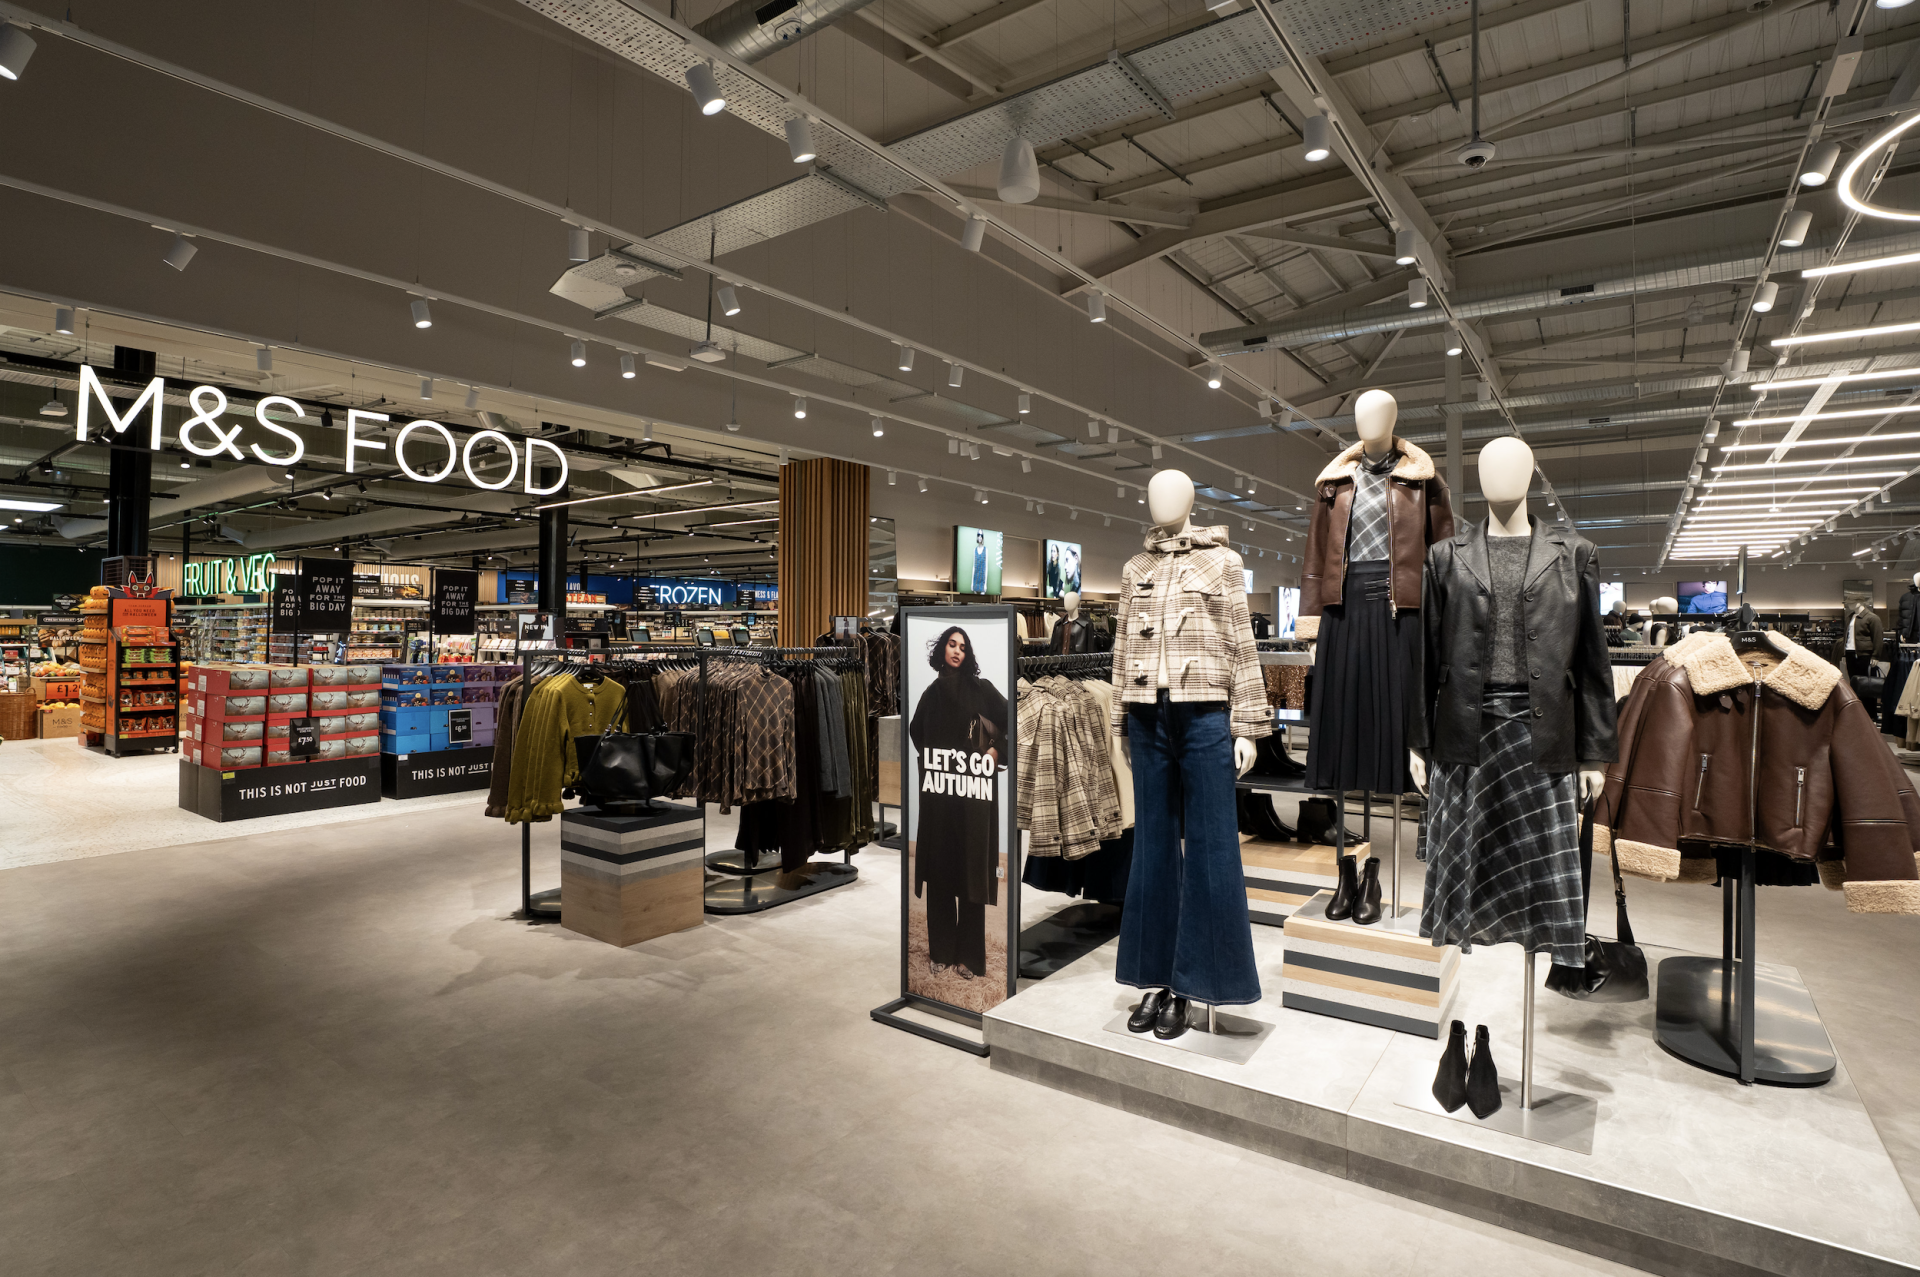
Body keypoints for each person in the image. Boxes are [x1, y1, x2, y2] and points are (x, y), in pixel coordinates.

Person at [909, 626, 1009, 980]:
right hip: (941, 796)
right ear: (942, 650)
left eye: (963, 647)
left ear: (968, 655)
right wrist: (940, 763)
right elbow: (916, 731)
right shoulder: (931, 693)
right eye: (952, 644)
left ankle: (969, 957)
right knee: (939, 872)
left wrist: (995, 751)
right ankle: (941, 951)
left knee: (971, 873)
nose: (956, 651)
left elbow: (1011, 722)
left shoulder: (982, 689)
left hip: (973, 797)